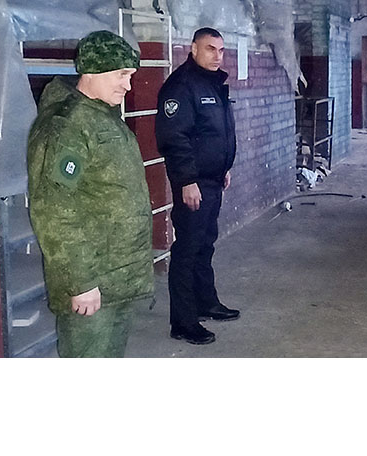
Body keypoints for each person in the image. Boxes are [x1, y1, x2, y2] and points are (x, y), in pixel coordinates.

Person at [27, 31, 154, 358]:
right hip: (92, 282)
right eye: (122, 74)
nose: (128, 85)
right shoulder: (68, 125)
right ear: (93, 71)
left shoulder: (101, 115)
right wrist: (80, 282)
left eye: (130, 75)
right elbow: (53, 209)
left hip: (117, 277)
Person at [156, 27, 240, 345]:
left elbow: (214, 133)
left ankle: (206, 303)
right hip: (194, 184)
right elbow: (174, 138)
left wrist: (223, 169)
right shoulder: (181, 86)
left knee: (206, 244)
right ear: (193, 49)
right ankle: (183, 322)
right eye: (210, 49)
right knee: (187, 250)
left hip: (212, 180)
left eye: (221, 50)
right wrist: (187, 181)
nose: (217, 56)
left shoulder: (212, 82)